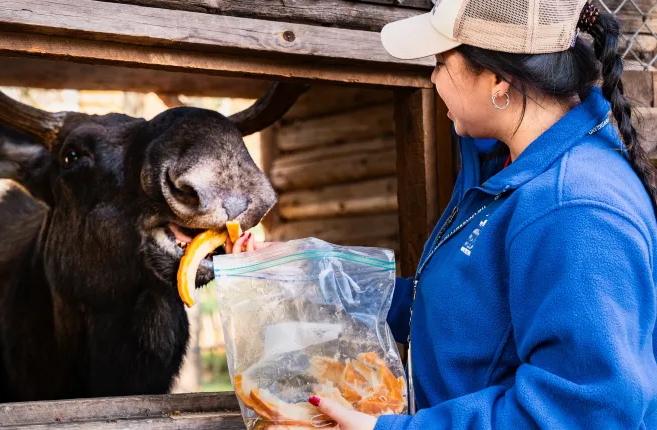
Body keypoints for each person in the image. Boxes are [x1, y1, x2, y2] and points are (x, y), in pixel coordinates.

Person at [228, 0, 657, 428]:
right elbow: (460, 310)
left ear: (497, 81)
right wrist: (305, 274)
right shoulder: (511, 168)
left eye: (440, 63)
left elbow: (585, 414)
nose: (432, 78)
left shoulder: (573, 209)